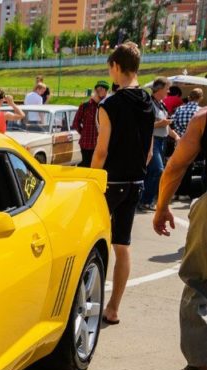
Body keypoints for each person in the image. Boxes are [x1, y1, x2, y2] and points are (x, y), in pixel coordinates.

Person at [92, 41, 155, 326]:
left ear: (116, 67)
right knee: (122, 245)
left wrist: (91, 180)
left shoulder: (110, 104)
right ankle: (113, 308)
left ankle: (88, 299)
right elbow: (150, 150)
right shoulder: (149, 102)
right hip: (136, 181)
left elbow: (101, 150)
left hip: (110, 181)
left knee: (93, 243)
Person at [153, 107, 207, 370]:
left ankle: (200, 360)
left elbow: (175, 166)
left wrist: (162, 206)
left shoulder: (203, 119)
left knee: (198, 279)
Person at [139, 78, 177, 212]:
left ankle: (144, 200)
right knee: (158, 170)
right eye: (167, 88)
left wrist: (176, 136)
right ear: (159, 89)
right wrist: (160, 124)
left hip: (162, 141)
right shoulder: (149, 103)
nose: (169, 91)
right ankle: (146, 200)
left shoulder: (161, 104)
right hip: (152, 141)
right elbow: (143, 125)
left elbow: (166, 127)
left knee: (151, 171)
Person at [73, 81, 110, 167]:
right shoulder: (85, 106)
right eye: (99, 88)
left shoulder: (107, 106)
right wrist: (83, 133)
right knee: (86, 166)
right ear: (95, 90)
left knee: (99, 168)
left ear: (106, 91)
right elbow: (76, 122)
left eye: (103, 89)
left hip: (102, 144)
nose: (100, 91)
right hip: (86, 144)